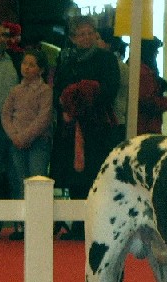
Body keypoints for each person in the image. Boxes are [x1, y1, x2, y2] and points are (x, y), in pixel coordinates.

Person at [50, 15, 120, 240]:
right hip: (71, 129)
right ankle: (79, 225)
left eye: (90, 33)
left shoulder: (107, 59)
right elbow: (57, 90)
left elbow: (110, 90)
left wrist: (85, 99)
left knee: (96, 176)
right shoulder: (66, 60)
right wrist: (67, 104)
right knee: (74, 178)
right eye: (81, 34)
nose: (87, 37)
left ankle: (98, 224)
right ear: (72, 38)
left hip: (99, 127)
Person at [1, 49, 53, 240]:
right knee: (19, 182)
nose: (27, 68)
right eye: (25, 64)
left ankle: (38, 226)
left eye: (32, 65)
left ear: (40, 69)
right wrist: (14, 135)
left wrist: (25, 137)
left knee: (37, 181)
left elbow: (44, 117)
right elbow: (6, 115)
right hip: (16, 141)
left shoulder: (45, 90)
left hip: (37, 142)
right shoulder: (15, 90)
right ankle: (21, 226)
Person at [0, 19, 19, 239]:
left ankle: (21, 225)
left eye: (3, 36)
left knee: (16, 175)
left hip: (14, 127)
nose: (1, 40)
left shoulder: (16, 60)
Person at [97, 27, 129, 143]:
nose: (95, 42)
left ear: (108, 44)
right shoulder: (118, 64)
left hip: (114, 118)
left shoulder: (116, 66)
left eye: (98, 38)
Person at [137, 37, 167, 135]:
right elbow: (147, 101)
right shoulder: (144, 73)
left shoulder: (139, 68)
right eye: (155, 50)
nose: (157, 53)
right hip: (147, 127)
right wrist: (165, 102)